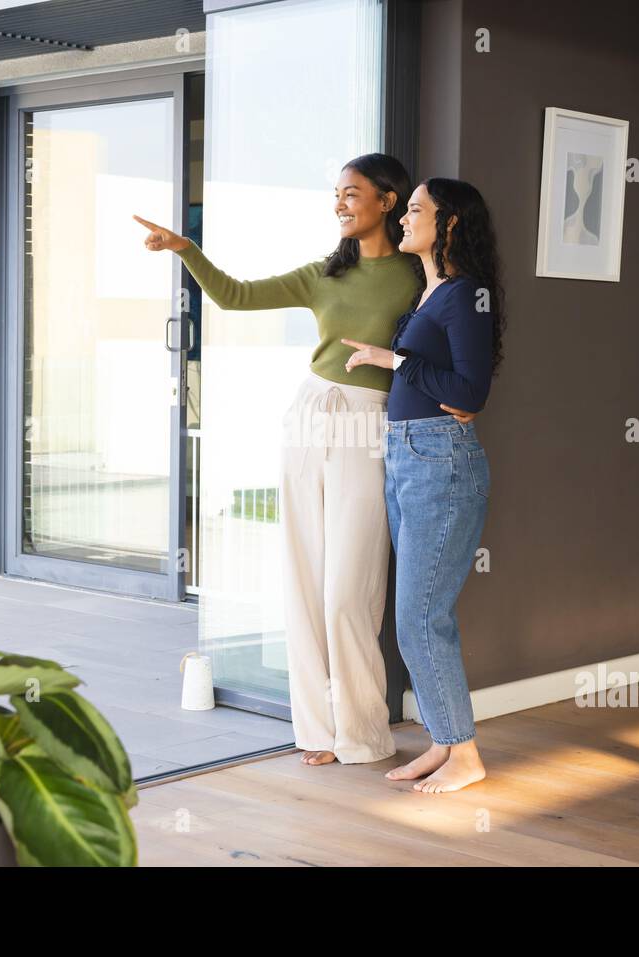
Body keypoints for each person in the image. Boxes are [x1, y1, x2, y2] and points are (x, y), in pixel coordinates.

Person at [135, 155, 473, 766]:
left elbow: (450, 337)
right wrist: (186, 248)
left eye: (352, 193)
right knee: (303, 579)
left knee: (351, 590)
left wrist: (457, 399)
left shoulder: (416, 275)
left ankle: (365, 733)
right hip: (308, 415)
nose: (340, 203)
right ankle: (318, 731)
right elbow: (235, 297)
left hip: (372, 424)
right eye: (337, 195)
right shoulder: (323, 273)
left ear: (388, 201)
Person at [343, 177, 505, 792]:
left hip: (442, 462)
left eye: (416, 210)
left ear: (451, 223)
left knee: (419, 617)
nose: (405, 218)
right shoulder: (432, 291)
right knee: (420, 615)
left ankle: (464, 754)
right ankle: (444, 743)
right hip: (410, 457)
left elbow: (470, 393)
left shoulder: (466, 294)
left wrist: (396, 361)